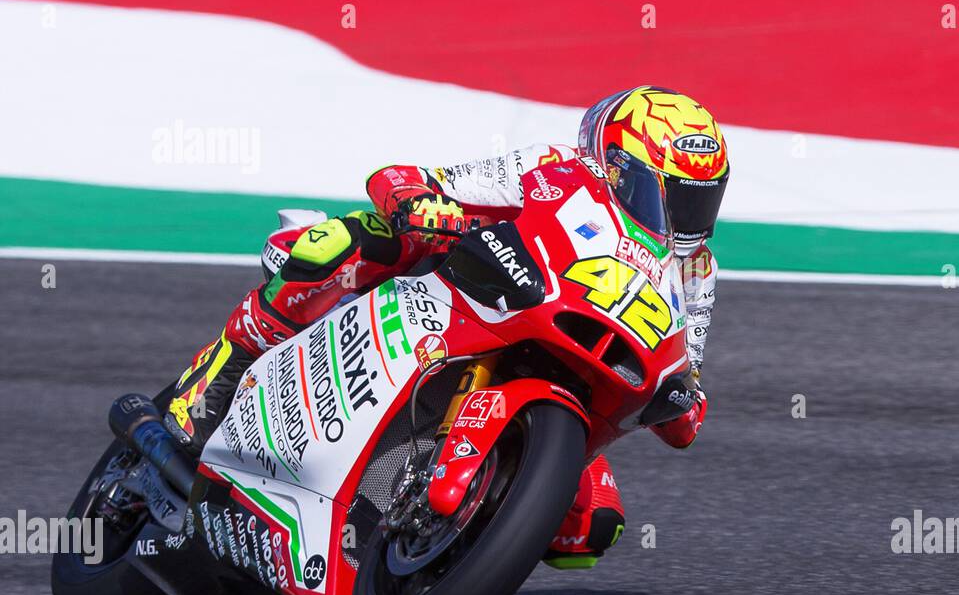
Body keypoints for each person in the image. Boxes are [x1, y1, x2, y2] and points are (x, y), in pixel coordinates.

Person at [165, 85, 729, 567]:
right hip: (470, 294)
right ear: (617, 165)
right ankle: (217, 378)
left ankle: (438, 551)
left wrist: (683, 404)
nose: (691, 218)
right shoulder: (554, 168)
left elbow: (688, 370)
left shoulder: (696, 269)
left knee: (591, 530)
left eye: (703, 201)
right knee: (343, 244)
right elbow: (407, 178)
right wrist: (419, 202)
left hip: (563, 370)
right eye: (676, 196)